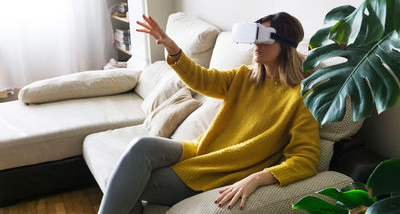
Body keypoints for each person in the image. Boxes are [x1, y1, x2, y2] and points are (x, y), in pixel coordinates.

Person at [98, 13, 320, 214]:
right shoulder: (244, 77)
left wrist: (256, 178)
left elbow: (306, 159)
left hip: (221, 171)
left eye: (264, 37)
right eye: (254, 36)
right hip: (201, 150)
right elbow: (201, 80)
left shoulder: (301, 97)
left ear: (286, 43)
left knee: (124, 184)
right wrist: (172, 48)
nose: (255, 44)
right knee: (141, 146)